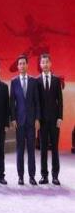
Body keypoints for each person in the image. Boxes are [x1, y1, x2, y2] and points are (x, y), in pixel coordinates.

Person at [10, 55, 40, 185]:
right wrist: (13, 119)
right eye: (20, 64)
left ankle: (32, 176)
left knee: (31, 150)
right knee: (20, 150)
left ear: (27, 65)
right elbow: (12, 102)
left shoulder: (34, 81)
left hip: (31, 121)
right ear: (17, 66)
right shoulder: (14, 82)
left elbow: (37, 102)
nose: (22, 66)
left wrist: (37, 118)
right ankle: (20, 176)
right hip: (19, 122)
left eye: (24, 63)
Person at [37, 54, 63, 185]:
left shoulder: (56, 80)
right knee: (43, 149)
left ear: (50, 63)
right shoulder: (37, 81)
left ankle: (55, 176)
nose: (45, 64)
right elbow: (36, 102)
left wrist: (60, 117)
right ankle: (44, 176)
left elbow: (60, 100)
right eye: (43, 62)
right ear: (40, 65)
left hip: (54, 120)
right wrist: (37, 119)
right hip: (42, 121)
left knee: (54, 149)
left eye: (47, 62)